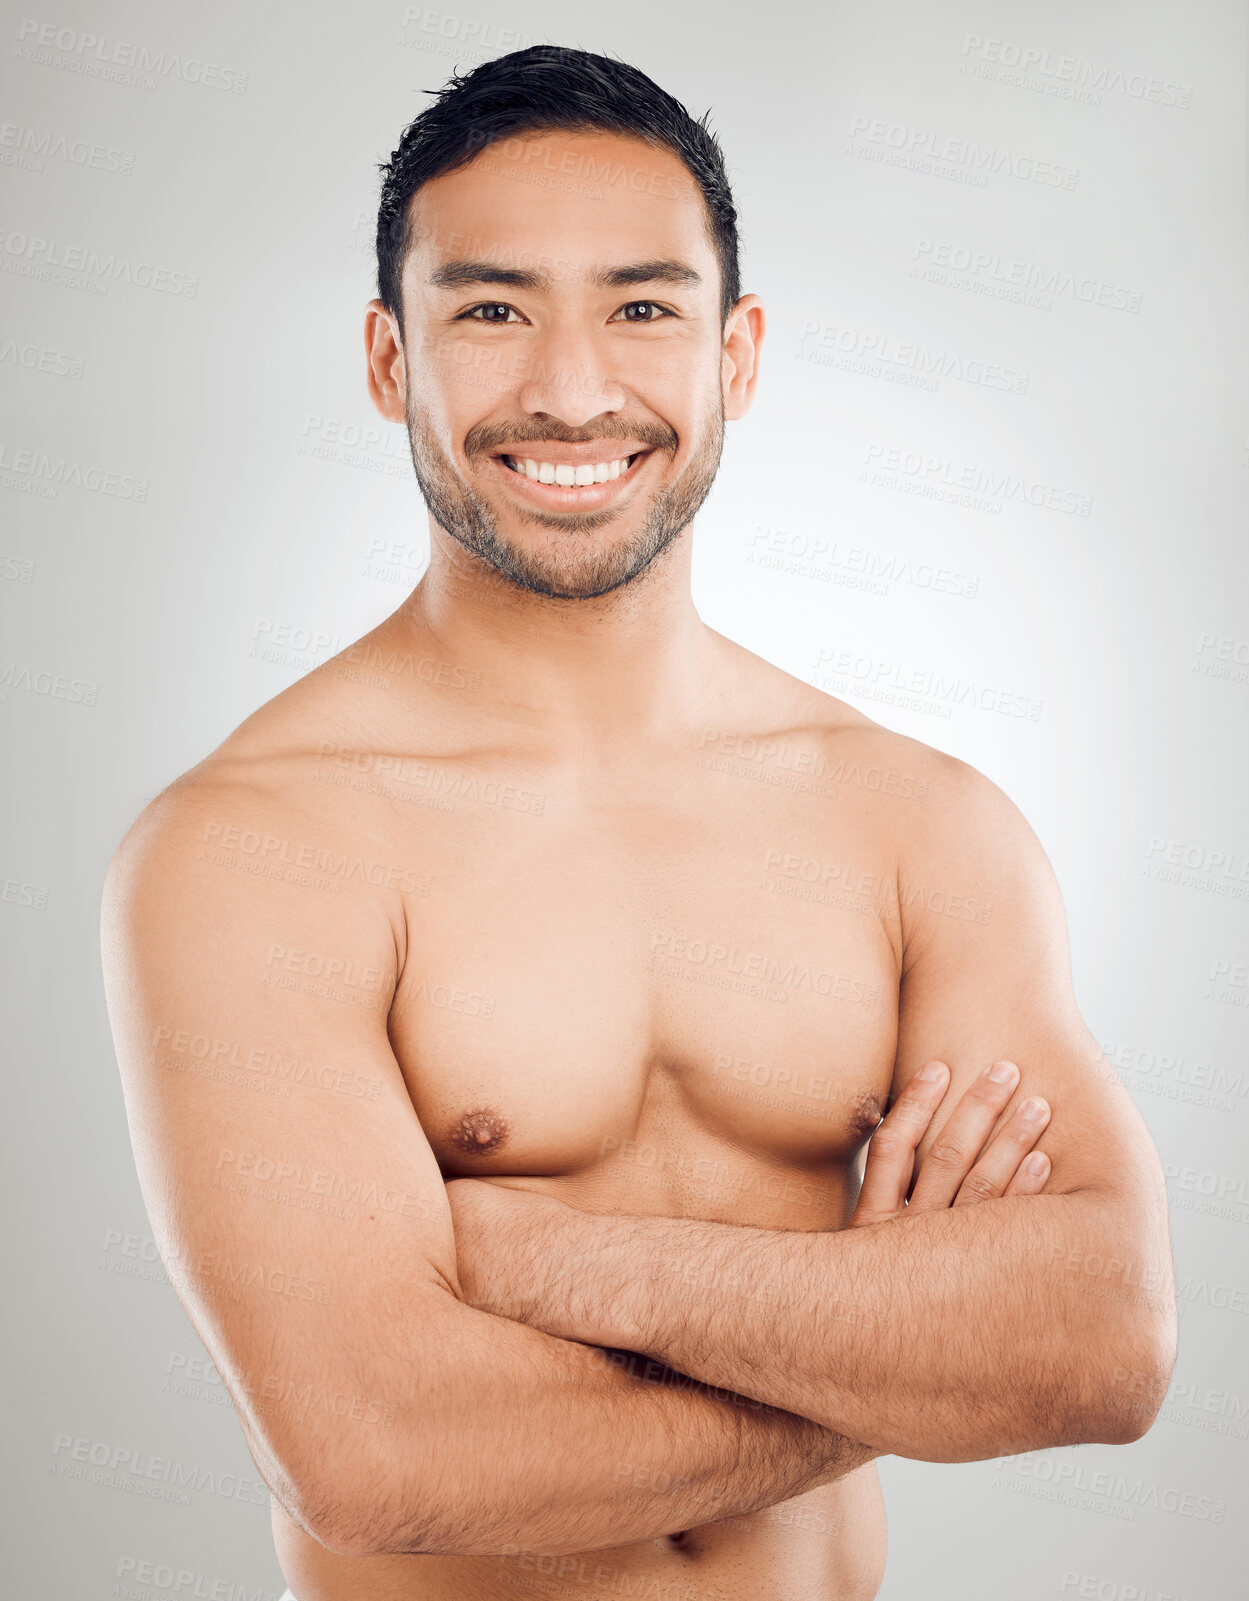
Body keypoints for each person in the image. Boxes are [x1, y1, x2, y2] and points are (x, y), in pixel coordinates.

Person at [101, 46, 1176, 1601]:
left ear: (734, 354)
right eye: (489, 309)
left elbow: (1100, 1343)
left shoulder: (915, 822)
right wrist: (898, 1336)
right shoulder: (250, 851)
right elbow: (377, 1451)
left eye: (642, 306)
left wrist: (544, 1261)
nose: (571, 388)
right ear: (389, 360)